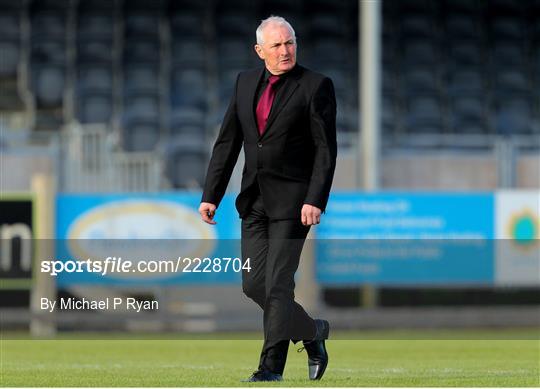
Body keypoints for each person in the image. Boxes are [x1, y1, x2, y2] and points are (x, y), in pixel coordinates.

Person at [199, 15, 337, 382]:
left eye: (289, 42)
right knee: (252, 284)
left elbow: (326, 150)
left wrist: (315, 199)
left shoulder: (316, 86)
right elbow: (227, 142)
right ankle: (311, 331)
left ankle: (269, 369)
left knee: (278, 283)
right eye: (276, 45)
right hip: (254, 201)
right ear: (260, 51)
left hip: (295, 204)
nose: (285, 50)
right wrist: (211, 194)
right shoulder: (244, 83)